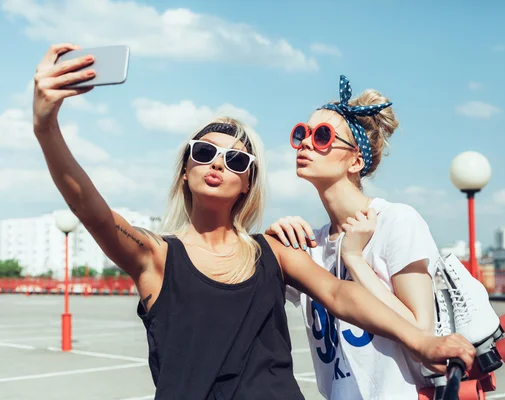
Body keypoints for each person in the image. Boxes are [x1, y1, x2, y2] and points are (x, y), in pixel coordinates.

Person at [32, 44, 474, 400]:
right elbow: (89, 208)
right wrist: (46, 127)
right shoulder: (156, 256)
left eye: (235, 159)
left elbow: (340, 295)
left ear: (248, 182)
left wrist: (422, 342)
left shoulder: (274, 252)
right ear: (185, 170)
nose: (217, 164)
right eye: (203, 153)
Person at [266, 74, 447, 399]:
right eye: (302, 133)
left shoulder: (397, 221)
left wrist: (354, 259)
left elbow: (422, 336)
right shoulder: (311, 244)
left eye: (322, 136)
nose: (306, 143)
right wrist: (269, 248)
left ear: (356, 160)